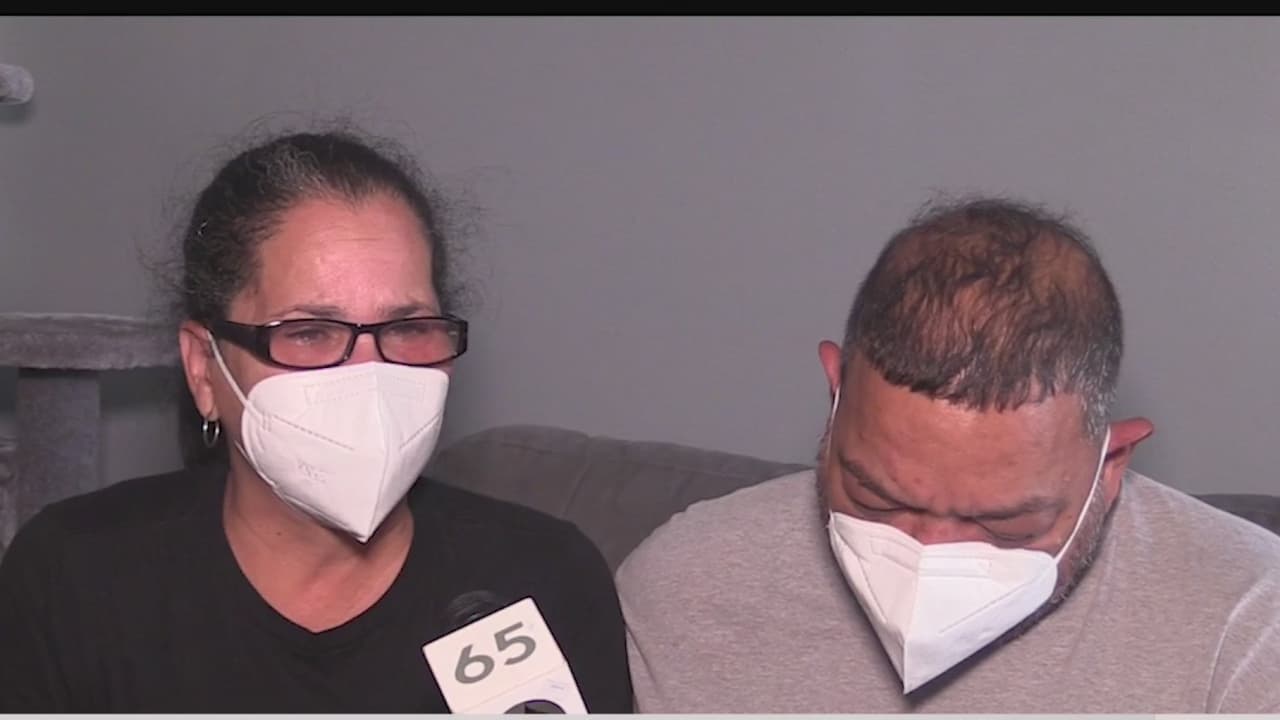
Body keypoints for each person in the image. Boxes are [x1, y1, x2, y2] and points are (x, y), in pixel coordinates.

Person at [0, 126, 633, 712]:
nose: (370, 375)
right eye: (308, 333)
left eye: (408, 328)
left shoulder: (544, 578)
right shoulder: (73, 577)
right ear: (204, 369)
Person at [615, 196, 1280, 713]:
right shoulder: (687, 586)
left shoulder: (1249, 622)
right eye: (877, 498)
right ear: (835, 398)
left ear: (1111, 464)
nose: (926, 558)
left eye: (1004, 525)